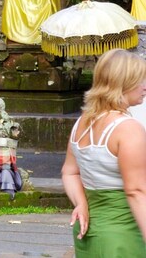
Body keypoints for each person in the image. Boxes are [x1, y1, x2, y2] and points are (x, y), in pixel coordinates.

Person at [62, 48, 146, 257]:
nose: (144, 87)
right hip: (124, 234)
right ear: (123, 83)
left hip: (90, 232)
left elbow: (69, 172)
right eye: (140, 80)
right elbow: (136, 191)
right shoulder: (128, 128)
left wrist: (81, 203)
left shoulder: (82, 122)